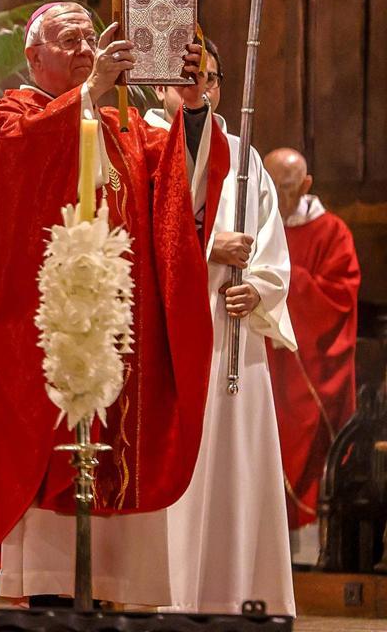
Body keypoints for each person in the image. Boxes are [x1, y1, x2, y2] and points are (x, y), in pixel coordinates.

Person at [0, 1, 215, 607]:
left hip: (125, 336)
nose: (87, 50)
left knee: (120, 546)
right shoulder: (11, 115)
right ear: (34, 55)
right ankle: (52, 593)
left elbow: (179, 195)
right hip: (55, 332)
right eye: (72, 40)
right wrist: (90, 92)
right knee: (58, 530)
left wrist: (188, 103)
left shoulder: (127, 124)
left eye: (93, 39)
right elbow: (17, 164)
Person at [146, 39, 297, 616]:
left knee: (235, 471)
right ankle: (172, 599)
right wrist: (211, 247)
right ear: (160, 86)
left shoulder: (245, 154)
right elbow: (145, 232)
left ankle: (240, 599)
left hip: (234, 335)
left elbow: (270, 242)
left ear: (220, 85)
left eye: (207, 76)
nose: (197, 86)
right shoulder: (145, 144)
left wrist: (258, 284)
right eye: (185, 76)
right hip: (174, 333)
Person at [264, 147, 361, 565]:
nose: (276, 199)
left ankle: (303, 555)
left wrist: (283, 282)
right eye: (269, 187)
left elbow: (338, 298)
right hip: (262, 360)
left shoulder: (331, 231)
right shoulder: (255, 226)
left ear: (305, 186)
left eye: (285, 189)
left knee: (303, 436)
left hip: (309, 365)